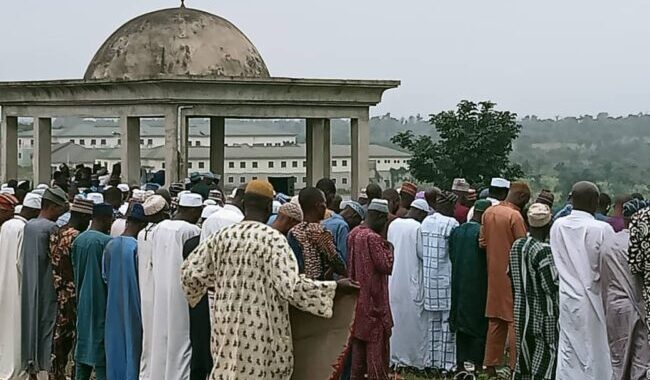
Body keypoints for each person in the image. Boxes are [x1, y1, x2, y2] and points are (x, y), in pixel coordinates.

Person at [180, 180, 345, 379]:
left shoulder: (221, 237)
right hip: (262, 337)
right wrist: (334, 288)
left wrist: (219, 284)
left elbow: (190, 275)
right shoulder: (273, 240)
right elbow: (291, 287)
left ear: (243, 205)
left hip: (226, 331)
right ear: (269, 207)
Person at [550, 181, 614, 379]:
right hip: (595, 297)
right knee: (597, 348)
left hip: (567, 295)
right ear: (596, 201)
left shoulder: (558, 225)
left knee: (570, 347)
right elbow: (609, 267)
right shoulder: (602, 229)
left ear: (571, 199)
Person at [149, 193, 203, 380]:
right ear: (195, 210)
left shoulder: (159, 227)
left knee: (162, 336)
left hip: (160, 288)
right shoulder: (191, 231)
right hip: (181, 293)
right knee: (181, 340)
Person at [480, 181, 529, 376]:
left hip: (493, 274)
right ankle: (514, 366)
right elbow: (523, 247)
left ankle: (490, 365)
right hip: (512, 275)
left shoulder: (488, 212)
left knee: (494, 320)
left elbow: (482, 242)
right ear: (522, 198)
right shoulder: (514, 216)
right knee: (513, 321)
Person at [21, 187, 69, 378]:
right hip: (47, 284)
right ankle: (45, 365)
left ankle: (31, 363)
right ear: (51, 206)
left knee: (31, 320)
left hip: (30, 281)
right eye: (59, 209)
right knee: (47, 323)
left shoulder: (29, 225)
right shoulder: (50, 229)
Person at [509, 203, 559, 380]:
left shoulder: (517, 245)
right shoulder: (544, 251)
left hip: (522, 311)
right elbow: (551, 286)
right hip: (545, 315)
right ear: (548, 224)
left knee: (524, 355)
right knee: (546, 355)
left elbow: (511, 276)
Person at [603, 199, 650, 380]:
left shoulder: (608, 242)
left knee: (617, 358)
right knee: (640, 359)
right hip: (639, 305)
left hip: (614, 305)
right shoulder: (638, 241)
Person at [347, 199, 393, 380]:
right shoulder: (373, 238)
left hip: (358, 302)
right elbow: (386, 265)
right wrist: (388, 244)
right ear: (380, 217)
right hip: (374, 305)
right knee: (376, 355)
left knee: (358, 356)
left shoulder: (354, 233)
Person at [49, 198, 94, 380]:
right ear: (83, 216)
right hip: (72, 292)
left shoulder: (57, 232)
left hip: (57, 290)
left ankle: (56, 372)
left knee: (59, 334)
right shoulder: (76, 237)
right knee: (74, 335)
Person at [103, 204, 149, 380]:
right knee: (132, 346)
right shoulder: (137, 248)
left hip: (113, 305)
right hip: (135, 305)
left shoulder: (110, 245)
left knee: (115, 347)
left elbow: (105, 276)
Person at [72, 203, 114, 380]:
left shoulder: (78, 240)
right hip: (102, 302)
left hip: (83, 300)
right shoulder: (106, 243)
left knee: (82, 350)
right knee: (102, 353)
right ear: (105, 219)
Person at [0, 192, 39, 380]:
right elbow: (23, 264)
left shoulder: (8, 226)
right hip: (17, 288)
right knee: (15, 333)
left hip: (4, 284)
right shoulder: (22, 229)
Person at [387, 199, 430, 369]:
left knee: (396, 320)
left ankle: (394, 358)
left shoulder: (394, 224)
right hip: (412, 280)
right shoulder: (417, 228)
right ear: (420, 213)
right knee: (413, 322)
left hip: (394, 279)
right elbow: (422, 253)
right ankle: (413, 361)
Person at [449, 199, 491, 370]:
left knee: (461, 325)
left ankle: (461, 364)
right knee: (478, 325)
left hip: (458, 282)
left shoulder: (457, 231)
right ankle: (476, 366)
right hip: (478, 284)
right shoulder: (482, 233)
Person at [420, 191, 459, 371]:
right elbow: (454, 253)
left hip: (429, 280)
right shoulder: (451, 223)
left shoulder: (426, 221)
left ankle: (432, 362)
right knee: (447, 325)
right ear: (448, 206)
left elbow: (420, 252)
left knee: (432, 324)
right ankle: (447, 365)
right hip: (446, 280)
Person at [138, 194, 169, 380]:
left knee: (148, 338)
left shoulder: (142, 233)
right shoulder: (161, 233)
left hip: (145, 289)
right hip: (158, 290)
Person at [288, 187, 346, 280]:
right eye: (324, 203)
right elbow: (337, 261)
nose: (325, 207)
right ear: (318, 205)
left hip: (298, 283)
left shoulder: (293, 231)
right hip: (317, 286)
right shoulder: (320, 232)